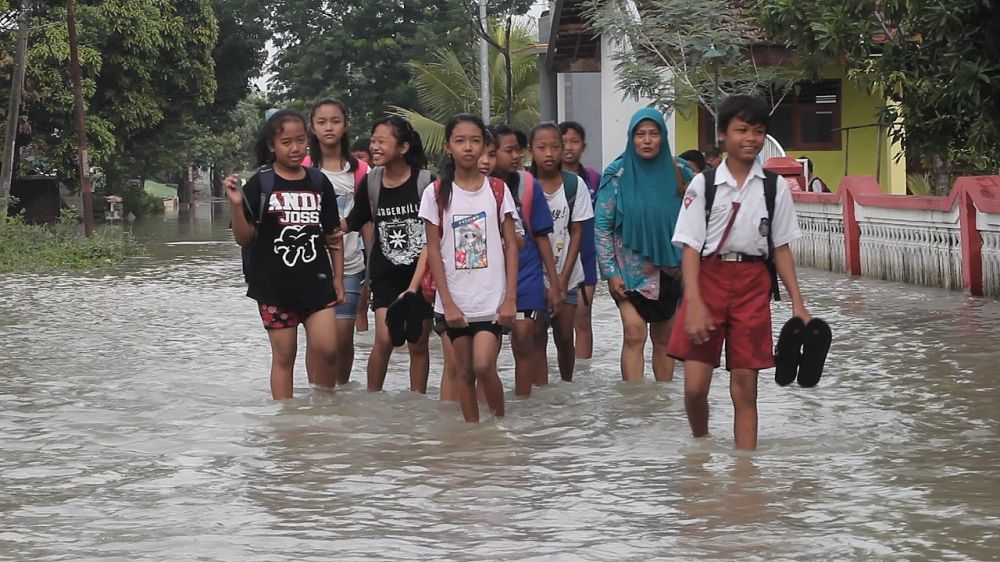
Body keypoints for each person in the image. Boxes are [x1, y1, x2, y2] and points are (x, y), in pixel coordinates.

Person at [667, 95, 812, 450]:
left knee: (745, 388)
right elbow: (689, 247)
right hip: (708, 281)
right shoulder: (705, 185)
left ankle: (746, 476)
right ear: (722, 135)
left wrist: (798, 304)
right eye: (741, 130)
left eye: (758, 131)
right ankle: (700, 446)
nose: (750, 138)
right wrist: (695, 302)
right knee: (694, 388)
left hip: (753, 286)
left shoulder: (774, 188)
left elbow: (781, 249)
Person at [225, 109, 345, 399]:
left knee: (329, 350)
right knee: (284, 357)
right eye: (286, 142)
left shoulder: (318, 182)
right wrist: (237, 205)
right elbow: (244, 238)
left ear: (308, 141)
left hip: (316, 283)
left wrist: (339, 279)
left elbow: (333, 237)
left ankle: (324, 409)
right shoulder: (260, 184)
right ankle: (287, 426)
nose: (295, 148)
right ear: (271, 146)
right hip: (273, 287)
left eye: (300, 140)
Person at [420, 114, 519, 422]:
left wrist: (510, 298)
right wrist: (446, 302)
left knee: (484, 366)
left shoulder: (498, 190)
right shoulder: (435, 193)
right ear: (448, 146)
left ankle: (500, 427)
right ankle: (473, 437)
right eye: (460, 141)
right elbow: (433, 249)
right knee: (463, 372)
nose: (468, 148)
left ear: (484, 146)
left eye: (475, 141)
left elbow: (511, 244)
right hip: (454, 302)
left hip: (491, 300)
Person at [596, 108, 691, 384]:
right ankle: (634, 406)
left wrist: (690, 266)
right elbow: (602, 228)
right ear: (631, 138)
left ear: (663, 137)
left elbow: (699, 221)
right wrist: (610, 273)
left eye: (653, 134)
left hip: (670, 271)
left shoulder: (682, 173)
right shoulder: (617, 174)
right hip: (628, 272)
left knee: (664, 340)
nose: (647, 140)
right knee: (634, 332)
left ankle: (660, 411)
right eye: (640, 134)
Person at [342, 116, 434, 393]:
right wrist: (322, 228)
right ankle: (374, 401)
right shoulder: (371, 182)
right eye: (373, 141)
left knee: (418, 343)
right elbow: (353, 220)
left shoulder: (426, 183)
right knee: (383, 340)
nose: (375, 147)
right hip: (385, 275)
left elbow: (435, 236)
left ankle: (417, 402)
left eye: (382, 141)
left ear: (403, 147)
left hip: (422, 274)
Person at [492, 124, 561, 396]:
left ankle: (524, 404)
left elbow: (543, 235)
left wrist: (553, 284)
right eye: (508, 151)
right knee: (488, 347)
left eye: (518, 150)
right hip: (489, 278)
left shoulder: (528, 186)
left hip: (527, 275)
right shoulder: (476, 187)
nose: (516, 156)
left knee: (524, 340)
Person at [307, 99, 369, 386]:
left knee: (343, 339)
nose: (329, 127)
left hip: (352, 264)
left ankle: (339, 393)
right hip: (309, 267)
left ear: (345, 125)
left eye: (335, 121)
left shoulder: (360, 172)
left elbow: (367, 219)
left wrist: (372, 271)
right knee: (318, 342)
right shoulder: (303, 168)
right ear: (313, 127)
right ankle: (318, 394)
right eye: (322, 122)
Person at [529, 122, 594, 383]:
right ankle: (542, 393)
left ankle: (567, 387)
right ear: (530, 151)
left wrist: (563, 280)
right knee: (536, 337)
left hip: (569, 272)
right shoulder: (525, 185)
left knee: (565, 336)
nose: (549, 153)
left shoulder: (574, 185)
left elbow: (577, 232)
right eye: (541, 147)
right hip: (534, 275)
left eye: (555, 146)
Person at [559, 121, 602, 361]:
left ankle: (583, 373)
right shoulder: (543, 179)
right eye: (563, 142)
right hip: (551, 259)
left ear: (583, 146)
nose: (568, 147)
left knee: (582, 320)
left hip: (585, 258)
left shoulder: (594, 178)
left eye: (574, 141)